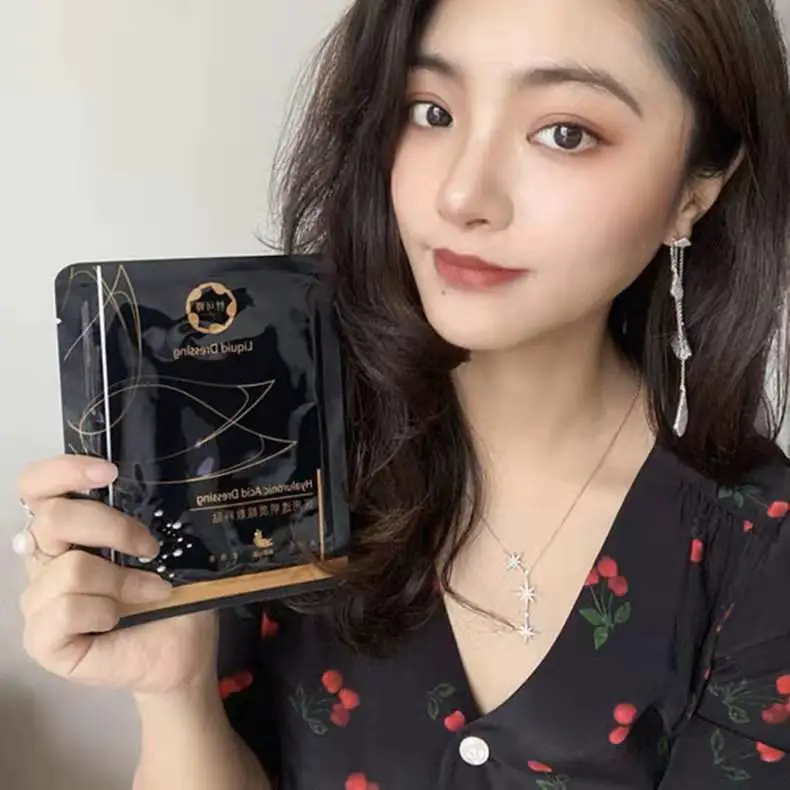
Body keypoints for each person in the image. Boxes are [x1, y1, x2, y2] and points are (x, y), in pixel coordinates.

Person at [13, 0, 790, 787]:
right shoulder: (280, 454)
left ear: (698, 185)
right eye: (431, 111)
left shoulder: (759, 545)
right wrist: (175, 694)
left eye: (565, 132)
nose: (462, 195)